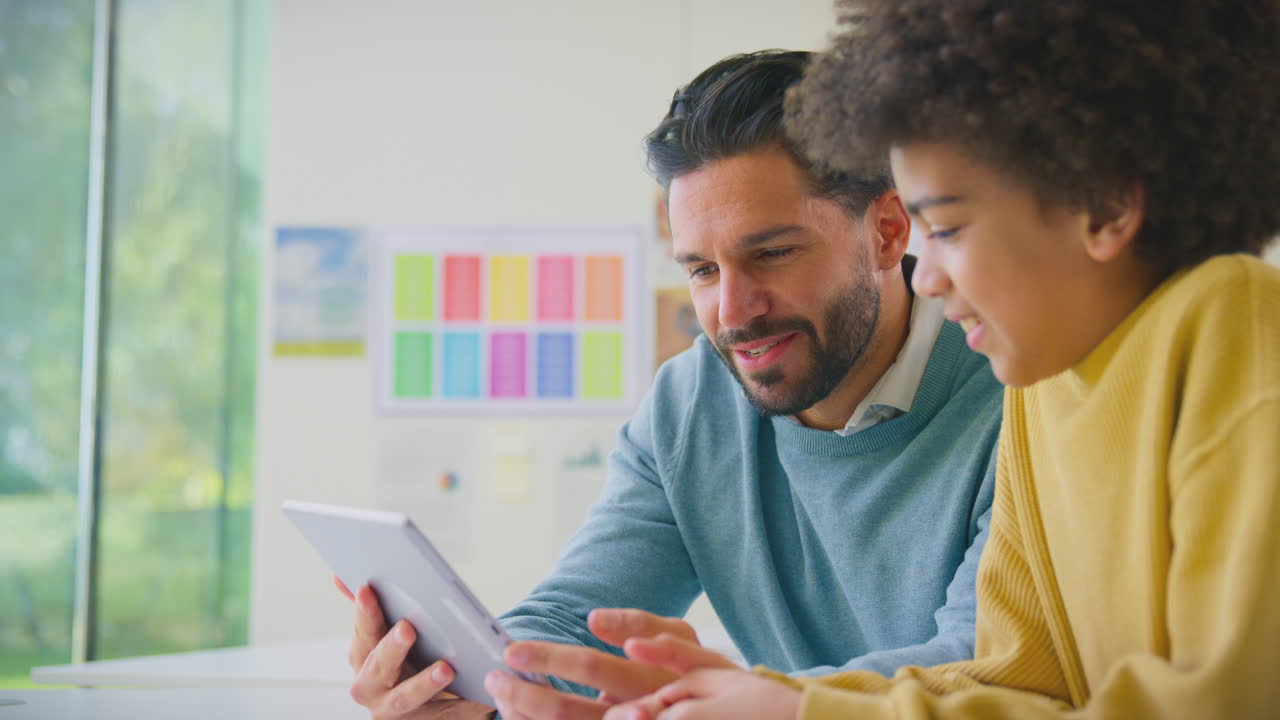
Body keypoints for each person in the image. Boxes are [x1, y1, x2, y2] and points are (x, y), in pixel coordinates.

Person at [602, 2, 1280, 719]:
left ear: (1105, 207)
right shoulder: (1042, 384)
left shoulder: (1232, 323)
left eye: (948, 228)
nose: (925, 277)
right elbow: (1014, 677)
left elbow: (1218, 706)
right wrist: (769, 697)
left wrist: (803, 713)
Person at [343, 50, 1004, 720]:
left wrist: (758, 702)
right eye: (702, 271)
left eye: (772, 253)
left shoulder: (1015, 395)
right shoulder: (689, 403)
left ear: (887, 231)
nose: (733, 312)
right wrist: (468, 677)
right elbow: (577, 615)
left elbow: (988, 663)